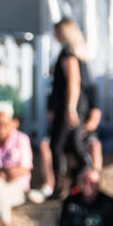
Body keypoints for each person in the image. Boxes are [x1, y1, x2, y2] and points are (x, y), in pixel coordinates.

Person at [38, 17, 89, 197]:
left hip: (69, 105)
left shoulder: (68, 53)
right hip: (70, 105)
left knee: (57, 146)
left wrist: (70, 108)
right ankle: (77, 183)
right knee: (73, 145)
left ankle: (63, 185)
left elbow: (74, 82)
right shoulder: (72, 53)